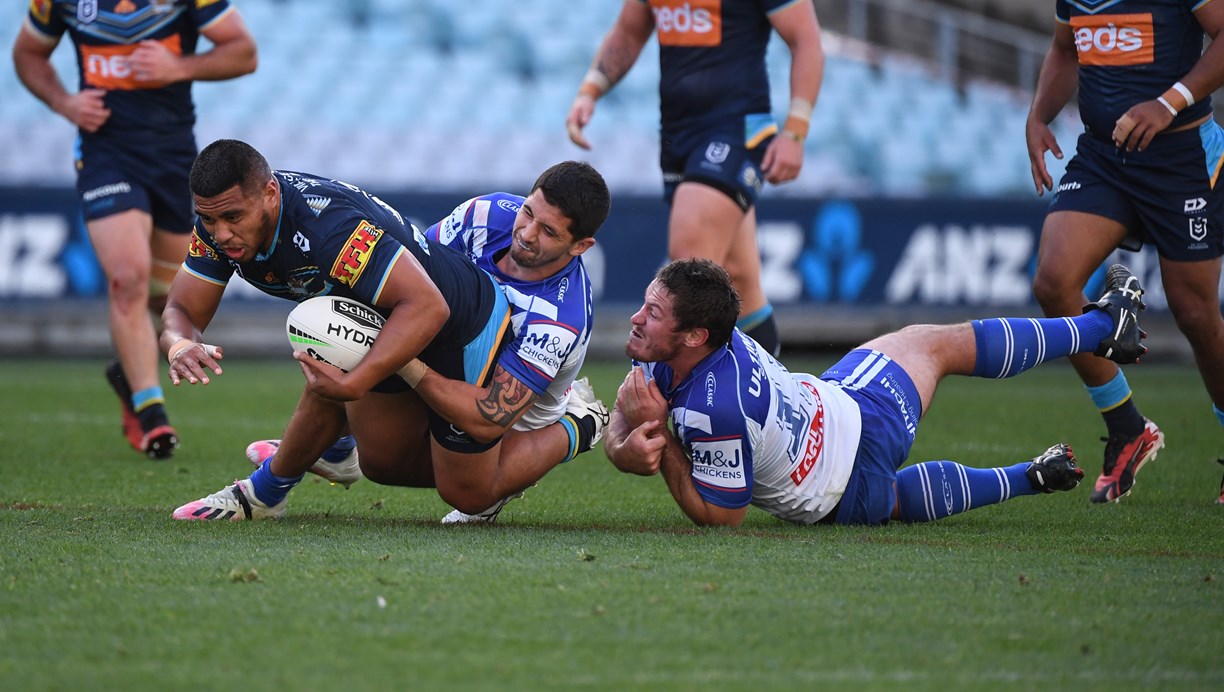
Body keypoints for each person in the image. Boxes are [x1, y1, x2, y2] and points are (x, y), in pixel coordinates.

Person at [168, 142, 609, 522]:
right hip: (434, 323)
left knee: (468, 493)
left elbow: (487, 413)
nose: (526, 233)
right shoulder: (487, 214)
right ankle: (330, 450)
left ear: (580, 246)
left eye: (547, 231)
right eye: (528, 212)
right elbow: (426, 261)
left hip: (509, 394)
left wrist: (372, 376)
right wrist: (179, 342)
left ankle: (579, 424)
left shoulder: (558, 318)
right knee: (379, 458)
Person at [603, 258, 1155, 527]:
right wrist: (622, 443)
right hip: (843, 422)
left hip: (847, 456)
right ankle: (1096, 341)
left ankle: (1100, 333)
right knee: (936, 347)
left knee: (888, 492)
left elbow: (723, 517)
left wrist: (656, 443)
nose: (636, 318)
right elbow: (629, 414)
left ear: (694, 337)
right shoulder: (693, 343)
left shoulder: (716, 407)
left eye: (652, 311)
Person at [11, 0, 257, 459]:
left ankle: (127, 376)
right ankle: (151, 413)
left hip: (173, 156)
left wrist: (178, 66)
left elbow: (243, 52)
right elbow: (28, 52)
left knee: (168, 301)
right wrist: (64, 102)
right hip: (106, 155)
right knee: (127, 278)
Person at [1025, 0, 1224, 503]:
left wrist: (1169, 102)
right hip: (1104, 157)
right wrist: (1039, 115)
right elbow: (1065, 49)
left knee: (1195, 314)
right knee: (1053, 282)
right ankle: (1127, 427)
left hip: (1181, 159)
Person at [564, 0, 824, 356]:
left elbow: (806, 39)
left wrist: (795, 131)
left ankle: (655, 388)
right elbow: (629, 32)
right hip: (678, 135)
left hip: (736, 130)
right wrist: (590, 90)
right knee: (739, 280)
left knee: (688, 272)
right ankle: (773, 385)